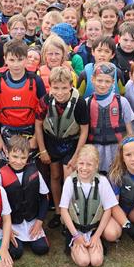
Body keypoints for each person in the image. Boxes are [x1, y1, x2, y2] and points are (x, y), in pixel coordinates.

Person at [35, 65, 89, 229]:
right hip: (51, 142)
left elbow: (84, 130)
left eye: (64, 88)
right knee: (55, 175)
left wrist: (76, 155)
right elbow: (38, 125)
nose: (60, 92)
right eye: (55, 88)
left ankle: (70, 214)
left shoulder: (78, 103)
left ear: (71, 86)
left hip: (70, 143)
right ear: (50, 86)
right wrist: (42, 150)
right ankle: (58, 211)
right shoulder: (45, 101)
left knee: (68, 177)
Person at [59, 145, 122, 267]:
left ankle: (96, 241)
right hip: (76, 230)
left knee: (97, 261)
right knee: (84, 262)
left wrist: (97, 235)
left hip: (94, 229)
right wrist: (76, 236)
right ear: (76, 163)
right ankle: (74, 247)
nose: (84, 168)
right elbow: (64, 210)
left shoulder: (102, 181)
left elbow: (108, 209)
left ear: (96, 165)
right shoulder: (70, 181)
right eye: (81, 163)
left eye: (89, 164)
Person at [0, 136, 50, 259]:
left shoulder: (35, 172)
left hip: (32, 220)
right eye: (15, 156)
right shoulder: (0, 176)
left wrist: (39, 221)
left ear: (28, 156)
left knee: (41, 249)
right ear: (7, 153)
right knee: (16, 252)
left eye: (23, 158)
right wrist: (4, 226)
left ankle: (36, 236)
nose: (19, 161)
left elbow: (44, 199)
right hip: (12, 222)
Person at [0, 40, 47, 158]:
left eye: (20, 59)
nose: (16, 64)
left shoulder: (36, 80)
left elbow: (44, 111)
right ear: (5, 59)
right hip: (5, 131)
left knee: (30, 170)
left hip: (31, 131)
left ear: (26, 59)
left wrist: (36, 138)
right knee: (7, 170)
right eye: (12, 60)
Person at [86, 62, 134, 174]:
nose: (103, 85)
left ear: (113, 82)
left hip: (115, 150)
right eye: (99, 80)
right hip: (94, 150)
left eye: (107, 81)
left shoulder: (122, 102)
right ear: (92, 79)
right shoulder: (87, 103)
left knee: (115, 180)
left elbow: (130, 132)